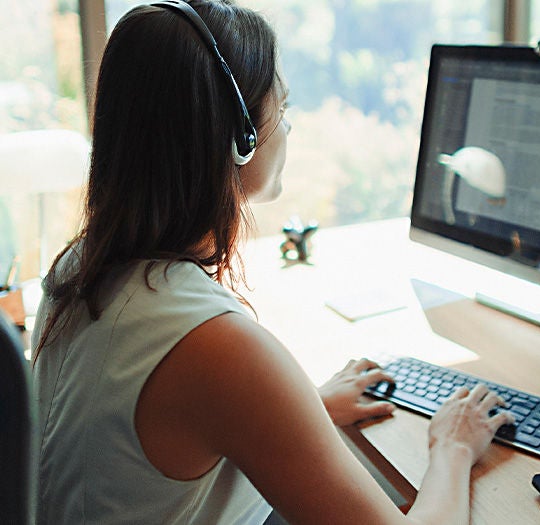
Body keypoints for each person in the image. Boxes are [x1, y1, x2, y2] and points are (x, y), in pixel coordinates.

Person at [31, 1, 513, 523]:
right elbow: (209, 383)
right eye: (281, 111)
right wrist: (454, 446)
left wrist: (303, 409)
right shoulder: (213, 344)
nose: (287, 129)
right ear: (240, 140)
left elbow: (150, 436)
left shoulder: (77, 269)